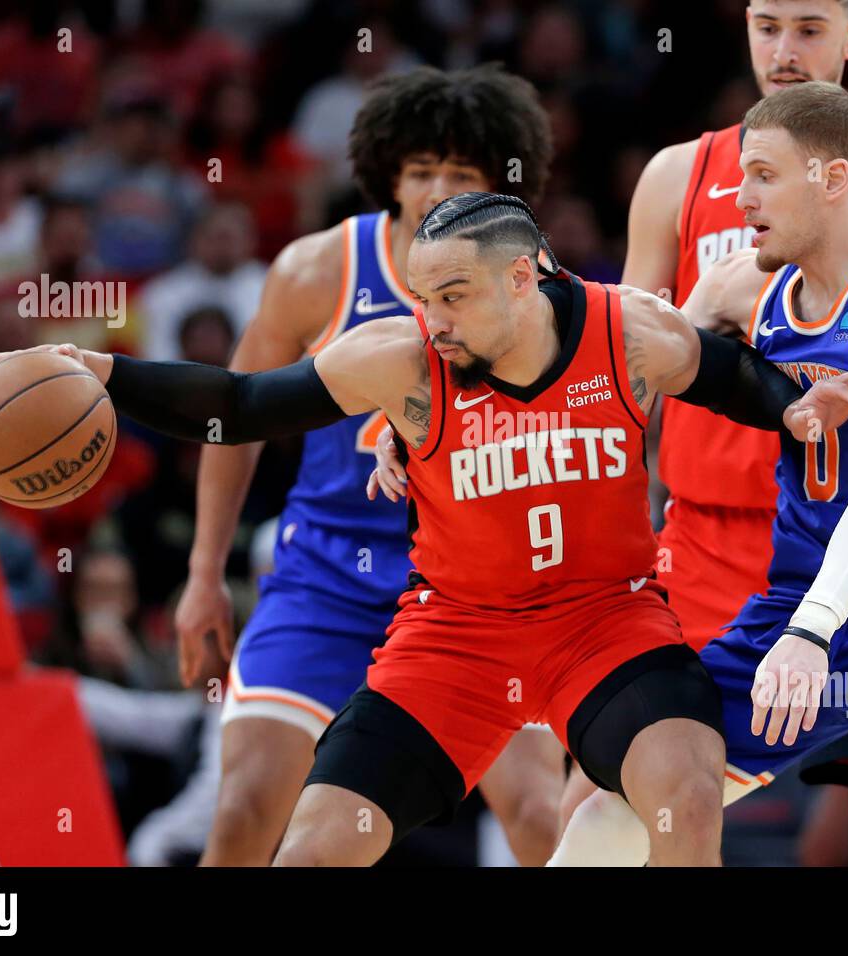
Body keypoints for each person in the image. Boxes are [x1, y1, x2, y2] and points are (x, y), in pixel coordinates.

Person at [0, 191, 848, 866]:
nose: (432, 320)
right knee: (313, 850)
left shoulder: (625, 330)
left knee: (687, 796)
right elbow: (239, 405)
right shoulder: (396, 358)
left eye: (455, 296)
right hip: (457, 639)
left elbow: (736, 381)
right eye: (424, 296)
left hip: (607, 622)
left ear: (524, 278)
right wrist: (98, 367)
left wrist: (806, 407)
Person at [551, 82, 848, 866]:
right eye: (738, 177)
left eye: (762, 176)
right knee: (611, 817)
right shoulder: (741, 286)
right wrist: (428, 410)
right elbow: (616, 376)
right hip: (788, 605)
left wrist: (809, 633)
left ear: (832, 180)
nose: (739, 197)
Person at [170, 65, 567, 866]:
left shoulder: (533, 286)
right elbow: (234, 419)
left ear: (498, 184)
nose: (434, 190)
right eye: (421, 170)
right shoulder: (318, 270)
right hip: (327, 575)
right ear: (388, 170)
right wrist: (205, 570)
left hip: (476, 587)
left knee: (537, 814)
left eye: (460, 173)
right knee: (245, 807)